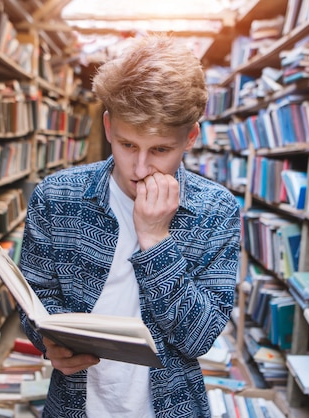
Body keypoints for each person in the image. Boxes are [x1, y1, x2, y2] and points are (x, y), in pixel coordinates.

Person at [18, 34, 241, 417]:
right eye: (127, 145)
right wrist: (46, 341)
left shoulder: (215, 209)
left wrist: (155, 239)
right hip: (73, 403)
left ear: (190, 138)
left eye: (159, 150)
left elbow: (200, 337)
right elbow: (35, 297)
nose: (139, 170)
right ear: (108, 127)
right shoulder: (56, 196)